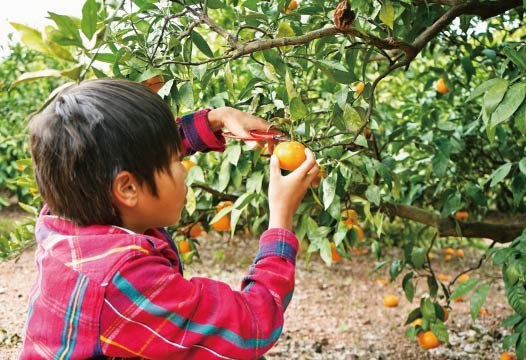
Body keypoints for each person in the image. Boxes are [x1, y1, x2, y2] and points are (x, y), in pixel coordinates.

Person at [20, 78, 319, 359]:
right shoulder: (125, 281)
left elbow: (130, 150)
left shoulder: (67, 209)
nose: (185, 167)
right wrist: (281, 218)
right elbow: (250, 326)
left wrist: (216, 119)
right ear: (127, 188)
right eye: (176, 161)